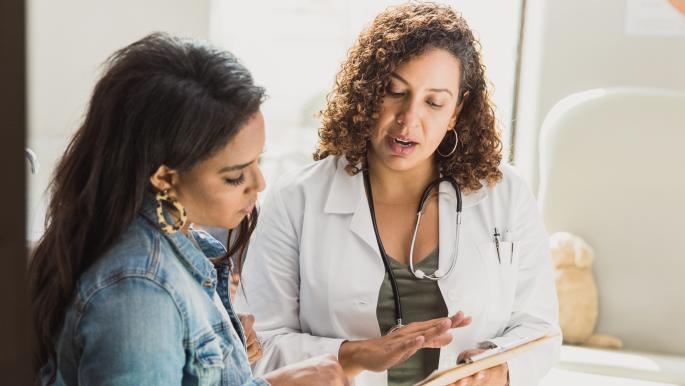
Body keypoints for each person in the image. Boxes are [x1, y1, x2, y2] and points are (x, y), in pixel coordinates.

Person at [235, 3, 560, 386]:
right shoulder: (298, 197)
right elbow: (255, 344)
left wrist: (497, 369)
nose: (408, 119)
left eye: (434, 102)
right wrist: (354, 354)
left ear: (457, 110)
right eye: (394, 92)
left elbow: (541, 329)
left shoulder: (504, 193)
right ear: (368, 93)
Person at [27, 33, 348, 386]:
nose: (259, 184)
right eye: (234, 176)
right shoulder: (140, 291)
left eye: (258, 160)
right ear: (165, 177)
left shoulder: (173, 245)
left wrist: (229, 354)